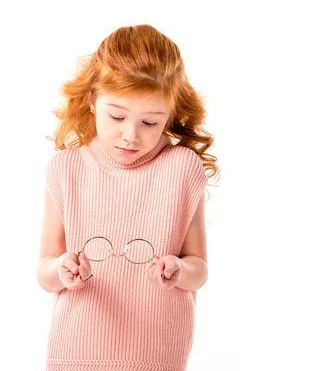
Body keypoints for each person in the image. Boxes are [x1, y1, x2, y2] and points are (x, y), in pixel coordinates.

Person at [36, 24, 219, 371]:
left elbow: (200, 269)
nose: (130, 136)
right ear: (92, 99)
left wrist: (179, 270)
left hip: (158, 353)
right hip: (76, 349)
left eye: (151, 122)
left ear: (170, 113)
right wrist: (61, 270)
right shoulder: (66, 170)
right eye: (117, 116)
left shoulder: (182, 168)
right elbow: (45, 270)